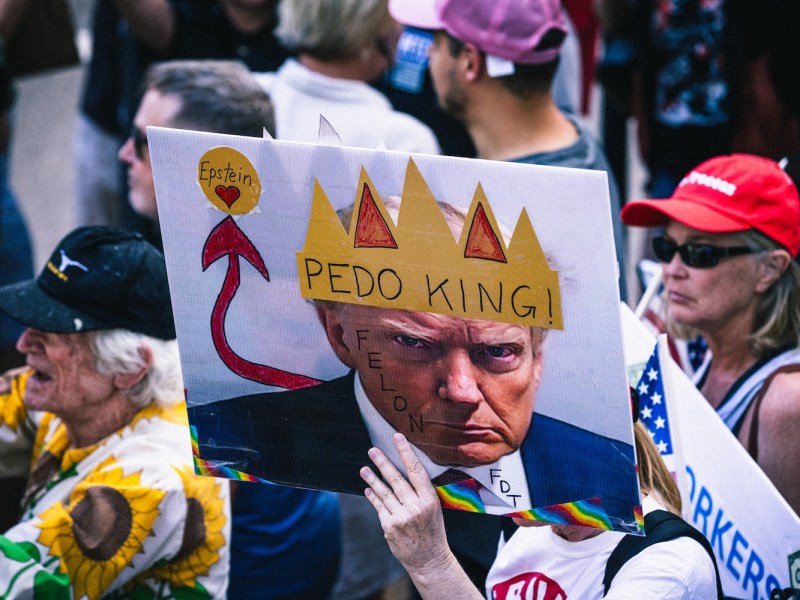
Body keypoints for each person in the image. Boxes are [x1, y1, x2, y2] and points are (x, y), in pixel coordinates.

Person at [189, 198, 638, 519]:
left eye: (498, 352)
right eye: (418, 345)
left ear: (538, 357)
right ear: (339, 332)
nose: (461, 390)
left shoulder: (608, 477)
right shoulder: (237, 444)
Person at [119, 59, 343, 600]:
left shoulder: (246, 293)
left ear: (189, 163)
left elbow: (208, 492)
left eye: (141, 142)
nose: (125, 154)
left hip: (255, 564)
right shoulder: (218, 258)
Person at [0, 226, 230, 598]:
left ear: (129, 369)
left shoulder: (154, 477)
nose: (24, 342)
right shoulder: (73, 389)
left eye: (52, 331)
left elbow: (18, 582)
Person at [388, 0, 627, 299]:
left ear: (470, 62)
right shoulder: (575, 147)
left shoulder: (525, 201)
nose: (428, 52)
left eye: (436, 40)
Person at [621, 153, 800, 514]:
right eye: (665, 247)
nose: (671, 269)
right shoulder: (704, 363)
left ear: (769, 269)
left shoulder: (786, 403)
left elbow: (786, 559)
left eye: (699, 253)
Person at [360, 421, 720, 599]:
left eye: (513, 451)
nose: (489, 467)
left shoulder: (668, 564)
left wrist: (432, 565)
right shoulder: (528, 524)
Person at [254, 0, 440, 154]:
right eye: (397, 15)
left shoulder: (241, 94)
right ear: (374, 27)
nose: (402, 27)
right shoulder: (406, 141)